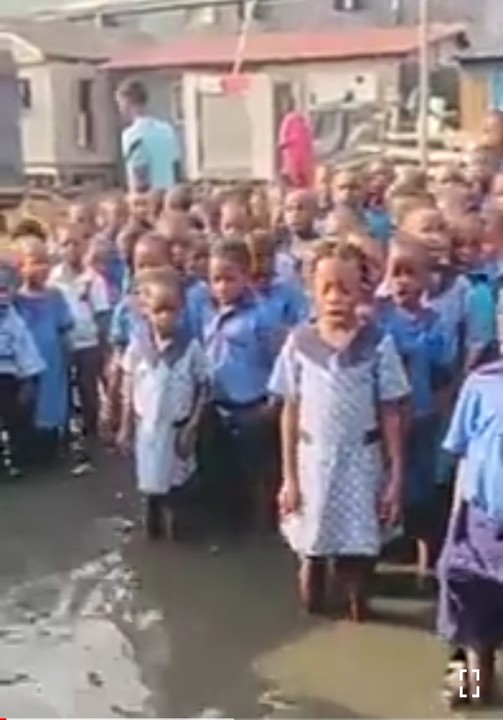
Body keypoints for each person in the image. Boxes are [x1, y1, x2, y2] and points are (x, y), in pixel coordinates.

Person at [269, 241, 409, 619]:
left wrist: (395, 476)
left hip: (362, 461)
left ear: (363, 290)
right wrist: (289, 478)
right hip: (312, 461)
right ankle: (313, 610)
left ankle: (357, 613)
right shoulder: (299, 344)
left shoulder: (379, 344)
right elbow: (290, 411)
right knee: (311, 551)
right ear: (310, 291)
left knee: (359, 553)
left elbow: (391, 411)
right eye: (326, 288)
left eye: (344, 289)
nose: (335, 298)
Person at [377, 239, 448, 585]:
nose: (403, 281)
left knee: (421, 488)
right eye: (396, 273)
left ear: (426, 281)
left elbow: (442, 370)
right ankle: (383, 549)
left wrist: (438, 406)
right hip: (384, 419)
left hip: (421, 416)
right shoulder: (378, 318)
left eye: (411, 274)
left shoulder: (435, 321)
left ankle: (426, 557)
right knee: (385, 483)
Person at [119, 268, 207, 540]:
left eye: (172, 310)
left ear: (182, 310)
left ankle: (176, 543)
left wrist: (193, 426)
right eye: (159, 310)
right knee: (149, 491)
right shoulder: (138, 346)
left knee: (177, 492)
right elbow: (128, 385)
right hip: (147, 432)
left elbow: (204, 385)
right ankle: (152, 540)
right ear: (145, 310)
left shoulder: (190, 347)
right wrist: (125, 427)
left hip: (177, 431)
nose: (166, 317)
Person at [438, 361, 503, 707]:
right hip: (481, 524)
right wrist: (454, 524)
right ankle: (473, 686)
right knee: (472, 616)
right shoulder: (481, 384)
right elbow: (464, 455)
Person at [49, 224, 110, 471]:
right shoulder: (52, 279)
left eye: (76, 243)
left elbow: (102, 315)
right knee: (63, 387)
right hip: (63, 343)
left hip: (89, 343)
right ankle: (65, 433)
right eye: (66, 244)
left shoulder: (93, 279)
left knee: (88, 390)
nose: (71, 249)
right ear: (58, 247)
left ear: (85, 246)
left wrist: (105, 349)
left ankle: (91, 432)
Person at [16, 237, 73, 466]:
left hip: (52, 363)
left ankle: (51, 452)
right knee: (28, 406)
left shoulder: (55, 296)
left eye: (46, 262)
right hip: (26, 365)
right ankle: (28, 454)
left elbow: (64, 330)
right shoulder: (15, 300)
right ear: (21, 266)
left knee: (52, 405)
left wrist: (68, 360)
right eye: (34, 262)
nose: (42, 268)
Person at [0, 260, 46, 478]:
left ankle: (19, 458)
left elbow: (24, 347)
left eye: (4, 289)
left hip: (8, 377)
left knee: (15, 420)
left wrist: (29, 378)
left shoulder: (12, 319)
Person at [116, 78, 181, 195]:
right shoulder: (167, 129)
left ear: (127, 102)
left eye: (120, 103)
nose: (119, 108)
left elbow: (139, 171)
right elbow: (176, 166)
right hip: (170, 194)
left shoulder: (132, 135)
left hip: (148, 198)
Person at [277, 95, 315, 190]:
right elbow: (308, 133)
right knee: (295, 167)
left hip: (296, 149)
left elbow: (284, 133)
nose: (285, 107)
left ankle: (299, 183)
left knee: (296, 167)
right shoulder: (299, 118)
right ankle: (298, 182)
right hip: (296, 149)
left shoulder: (292, 118)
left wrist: (283, 143)